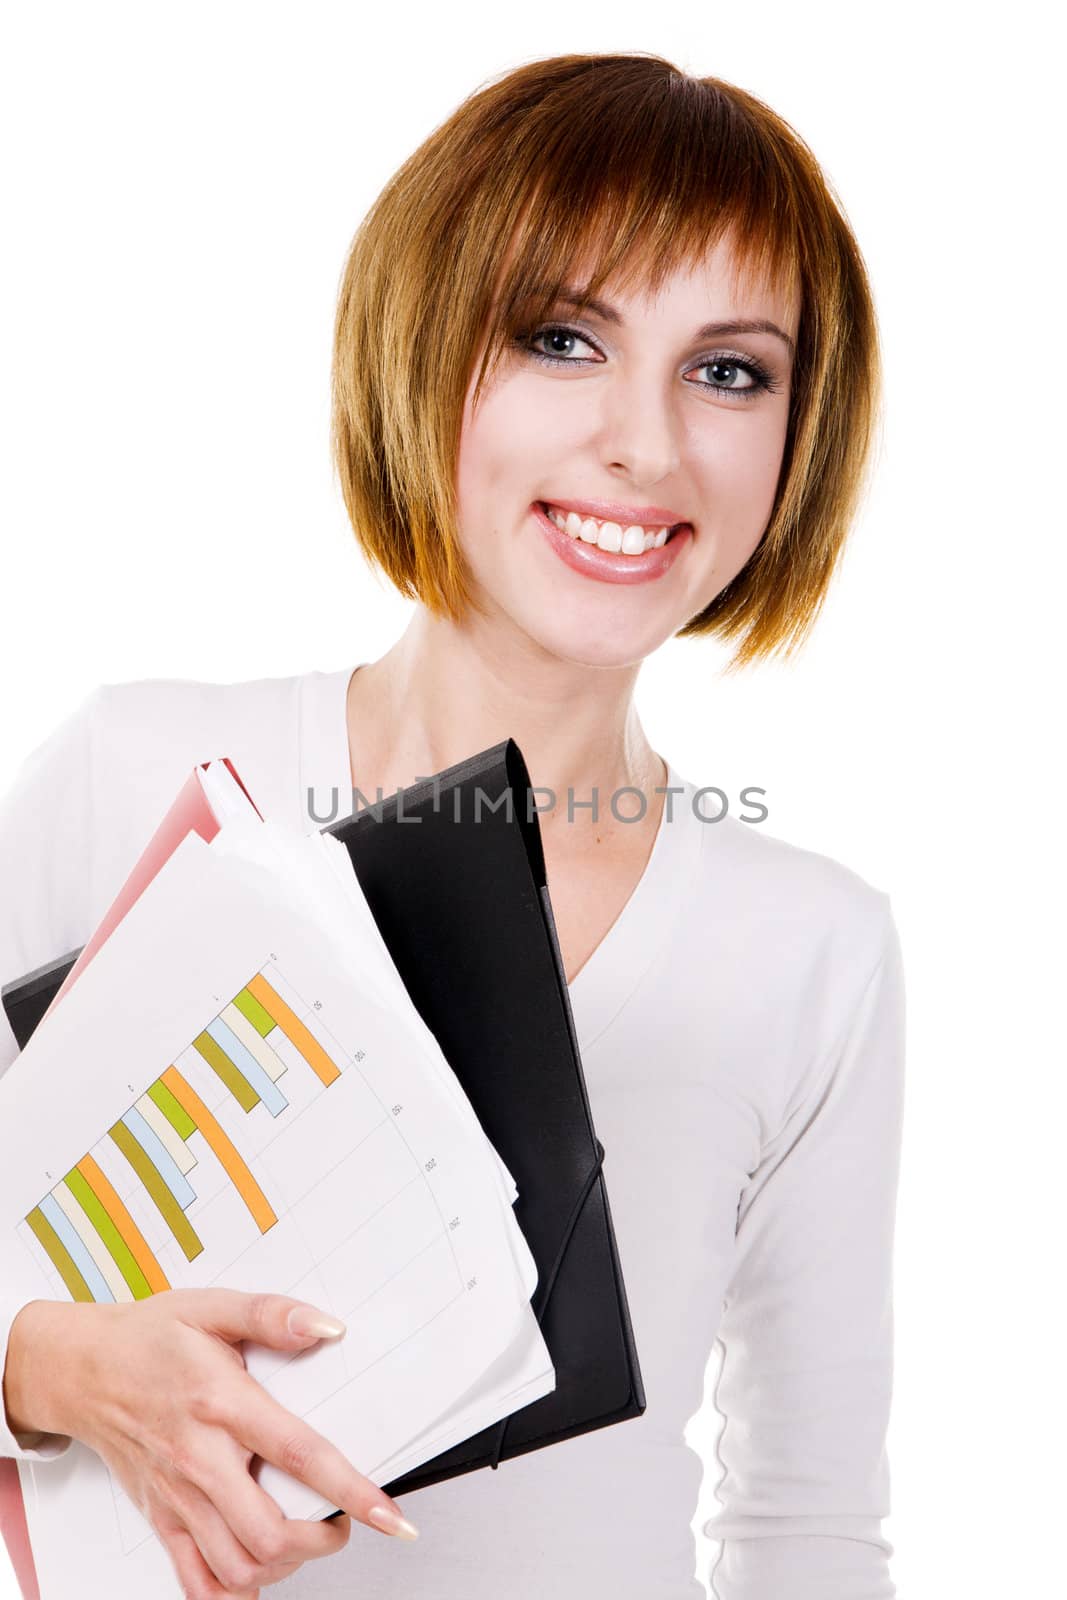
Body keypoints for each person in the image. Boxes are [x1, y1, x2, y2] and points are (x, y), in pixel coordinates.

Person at [0, 51, 905, 1600]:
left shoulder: (812, 946)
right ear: (421, 348)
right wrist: (45, 1363)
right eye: (562, 338)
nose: (646, 444)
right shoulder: (140, 768)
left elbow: (804, 1530)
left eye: (731, 369)